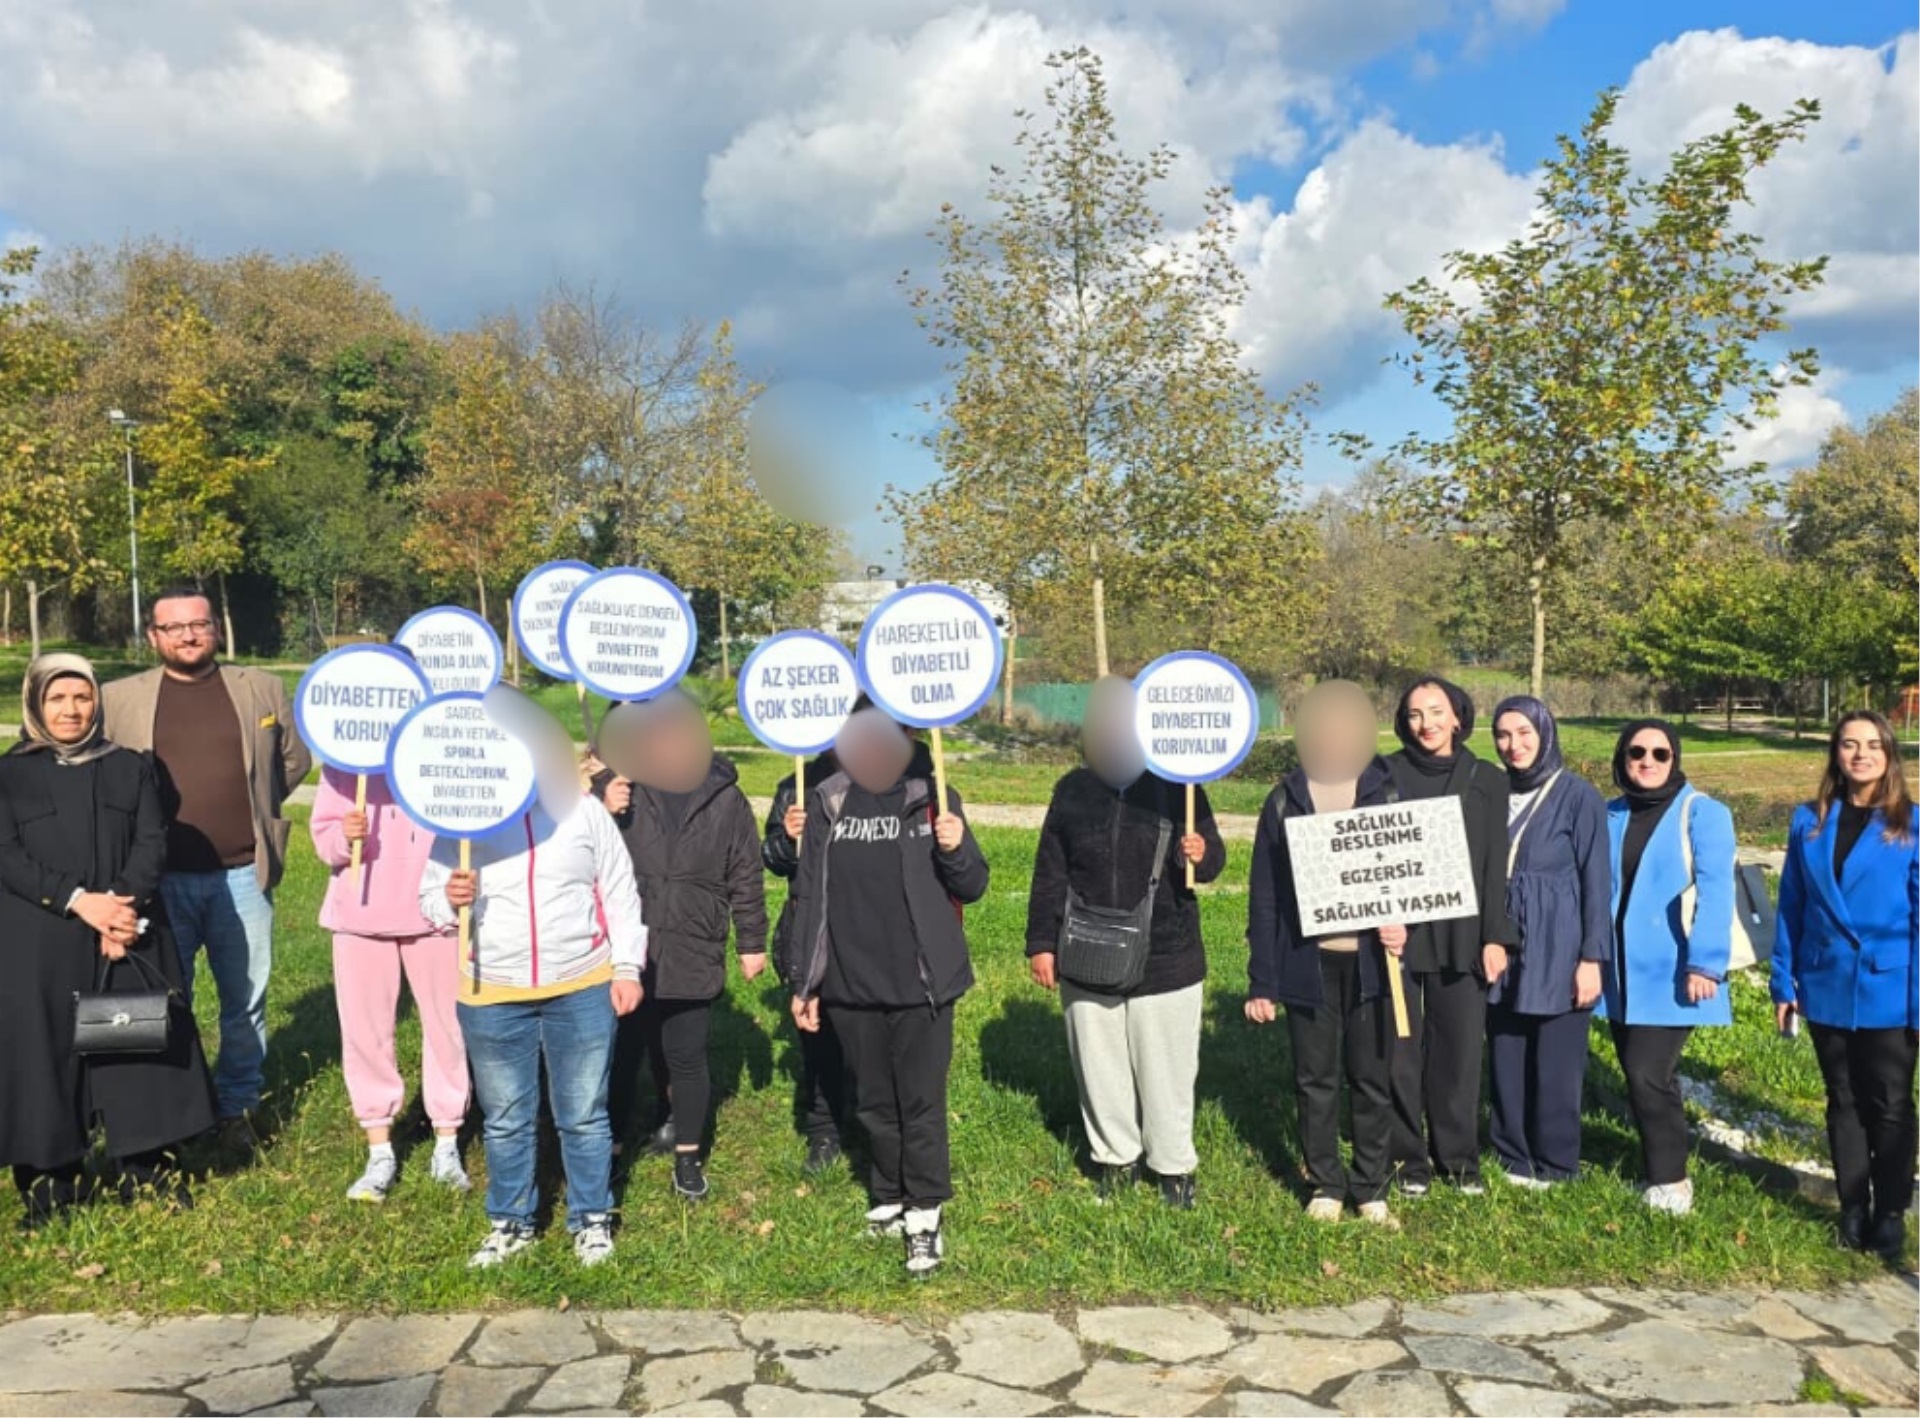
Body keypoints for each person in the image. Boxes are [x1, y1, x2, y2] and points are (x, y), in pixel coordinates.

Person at [418, 703, 647, 1269]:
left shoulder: (582, 813)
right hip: (492, 992)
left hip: (582, 985)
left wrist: (627, 968)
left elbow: (620, 890)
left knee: (584, 1113)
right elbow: (427, 901)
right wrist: (450, 897)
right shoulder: (462, 825)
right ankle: (512, 1222)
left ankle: (592, 1219)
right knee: (506, 1118)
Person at [0, 654, 216, 1229]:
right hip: (42, 939)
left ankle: (148, 1174)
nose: (71, 710)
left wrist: (122, 909)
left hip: (128, 932)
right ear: (35, 704)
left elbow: (152, 841)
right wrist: (79, 902)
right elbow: (6, 856)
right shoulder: (9, 774)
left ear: (97, 702)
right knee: (42, 1057)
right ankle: (51, 1186)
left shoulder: (131, 767)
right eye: (57, 699)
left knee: (135, 1046)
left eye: (82, 698)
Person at [101, 588, 311, 1146]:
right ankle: (172, 1109)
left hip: (242, 874)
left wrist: (256, 809)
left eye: (200, 624)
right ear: (153, 637)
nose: (189, 635)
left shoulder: (259, 688)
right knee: (166, 998)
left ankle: (237, 1105)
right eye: (174, 628)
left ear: (216, 629)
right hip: (157, 882)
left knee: (245, 1001)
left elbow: (292, 760)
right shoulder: (118, 699)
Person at [788, 705, 990, 1274]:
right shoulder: (829, 797)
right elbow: (811, 897)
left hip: (922, 983)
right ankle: (889, 1193)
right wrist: (806, 981)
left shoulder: (934, 793)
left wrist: (957, 848)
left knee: (919, 1102)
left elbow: (972, 886)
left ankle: (925, 1212)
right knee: (875, 1103)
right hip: (852, 983)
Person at [1026, 676, 1224, 1209]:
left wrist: (1198, 852)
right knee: (1099, 1064)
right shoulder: (1072, 789)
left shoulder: (1177, 782)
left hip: (1168, 956)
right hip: (1085, 951)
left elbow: (1213, 862)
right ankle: (1115, 1160)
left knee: (1168, 1071)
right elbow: (1050, 870)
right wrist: (1041, 943)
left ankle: (1173, 1168)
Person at [594, 691, 768, 1202]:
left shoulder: (726, 797)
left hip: (694, 943)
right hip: (629, 947)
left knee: (687, 1056)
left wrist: (751, 940)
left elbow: (746, 872)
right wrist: (603, 799)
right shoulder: (623, 784)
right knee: (621, 1055)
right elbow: (579, 841)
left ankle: (687, 1157)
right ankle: (610, 1150)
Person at [1246, 679, 1407, 1228]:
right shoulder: (1285, 799)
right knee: (1314, 1078)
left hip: (1372, 966)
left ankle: (1370, 1184)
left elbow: (1416, 875)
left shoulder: (1389, 792)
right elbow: (1264, 895)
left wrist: (1403, 925)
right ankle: (1326, 1183)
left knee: (1371, 1076)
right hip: (1307, 962)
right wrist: (1262, 979)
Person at [1772, 711, 1917, 1260]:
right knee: (1843, 1100)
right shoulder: (1808, 821)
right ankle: (1853, 1207)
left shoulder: (1912, 824)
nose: (1861, 754)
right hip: (1825, 981)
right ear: (1835, 753)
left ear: (1889, 755)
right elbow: (1792, 905)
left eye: (1873, 745)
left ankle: (1891, 1213)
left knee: (1892, 1103)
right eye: (1849, 744)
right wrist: (1783, 982)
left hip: (1890, 989)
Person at [311, 763, 470, 1202]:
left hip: (436, 913)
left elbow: (475, 824)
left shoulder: (439, 751)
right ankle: (379, 1147)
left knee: (447, 1028)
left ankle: (447, 1139)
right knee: (365, 1032)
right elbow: (324, 841)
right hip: (359, 917)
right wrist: (345, 836)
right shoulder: (345, 762)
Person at [1384, 676, 1518, 1195]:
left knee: (1459, 1054)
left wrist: (1494, 937)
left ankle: (1459, 1160)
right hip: (1399, 934)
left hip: (1464, 934)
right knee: (1400, 1052)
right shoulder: (1383, 774)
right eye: (1416, 714)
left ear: (1458, 717)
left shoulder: (1487, 779)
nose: (1427, 724)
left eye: (1436, 711)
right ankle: (1407, 1161)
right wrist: (1380, 918)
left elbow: (1493, 865)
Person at [1600, 720, 1734, 1217]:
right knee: (1639, 1073)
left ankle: (1671, 1181)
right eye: (1637, 751)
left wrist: (1705, 962)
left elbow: (1717, 891)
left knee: (1647, 1072)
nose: (1648, 761)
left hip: (1674, 971)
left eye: (1660, 753)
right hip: (1619, 973)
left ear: (1675, 758)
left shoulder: (1704, 813)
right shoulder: (1609, 812)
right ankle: (1653, 1165)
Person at [762, 694, 897, 1174]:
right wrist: (789, 838)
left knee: (873, 1036)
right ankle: (824, 1131)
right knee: (818, 1041)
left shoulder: (880, 780)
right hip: (811, 931)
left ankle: (875, 1120)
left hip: (868, 932)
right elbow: (775, 860)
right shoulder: (794, 786)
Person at [1487, 696, 1610, 1188]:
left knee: (1557, 1058)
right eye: (1503, 734)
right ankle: (1512, 1155)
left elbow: (1596, 881)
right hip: (1503, 938)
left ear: (1545, 734)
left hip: (1559, 940)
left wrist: (1591, 958)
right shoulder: (1492, 792)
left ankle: (1556, 1162)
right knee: (1506, 1050)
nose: (1513, 745)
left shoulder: (1578, 796)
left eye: (1524, 734)